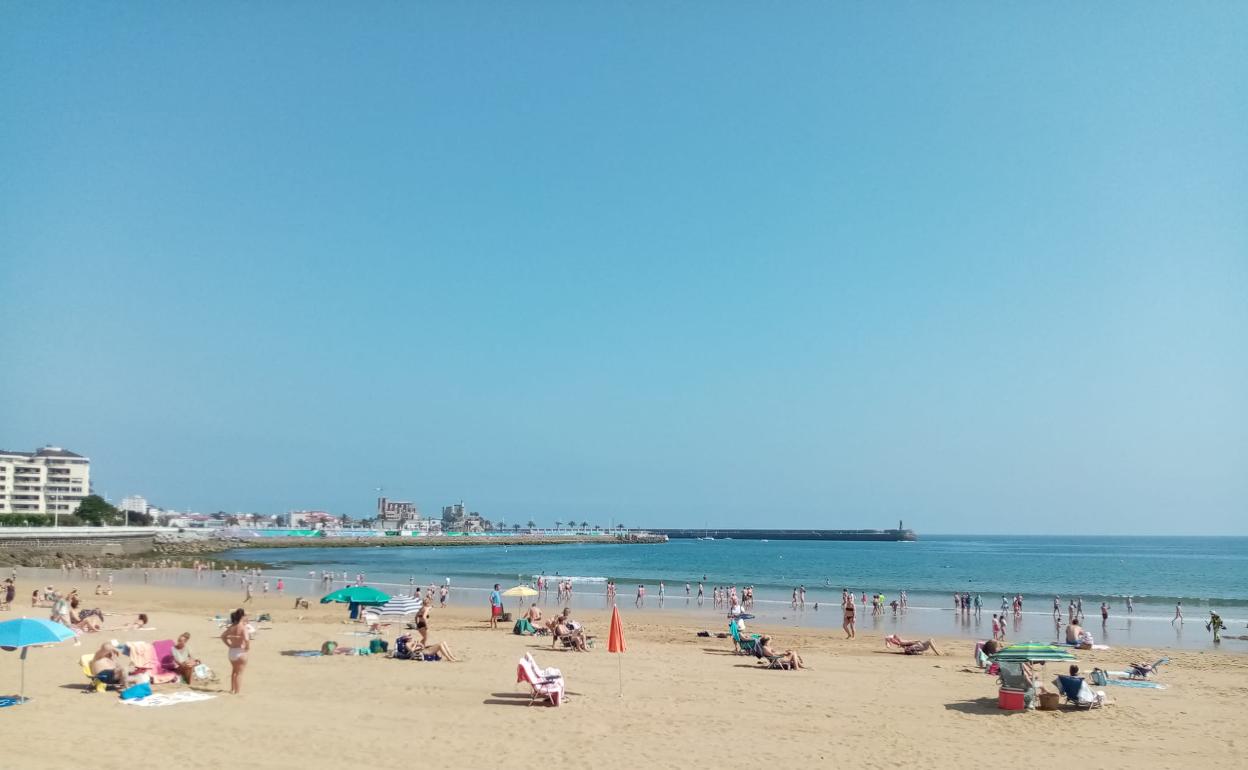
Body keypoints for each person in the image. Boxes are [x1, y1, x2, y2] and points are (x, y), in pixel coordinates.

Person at [220, 608, 252, 695]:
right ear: (242, 617)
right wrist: (247, 647)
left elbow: (223, 636)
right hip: (240, 651)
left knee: (234, 671)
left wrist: (229, 644)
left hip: (232, 651)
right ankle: (237, 692)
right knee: (239, 673)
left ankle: (232, 689)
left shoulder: (232, 626)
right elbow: (246, 639)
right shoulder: (243, 627)